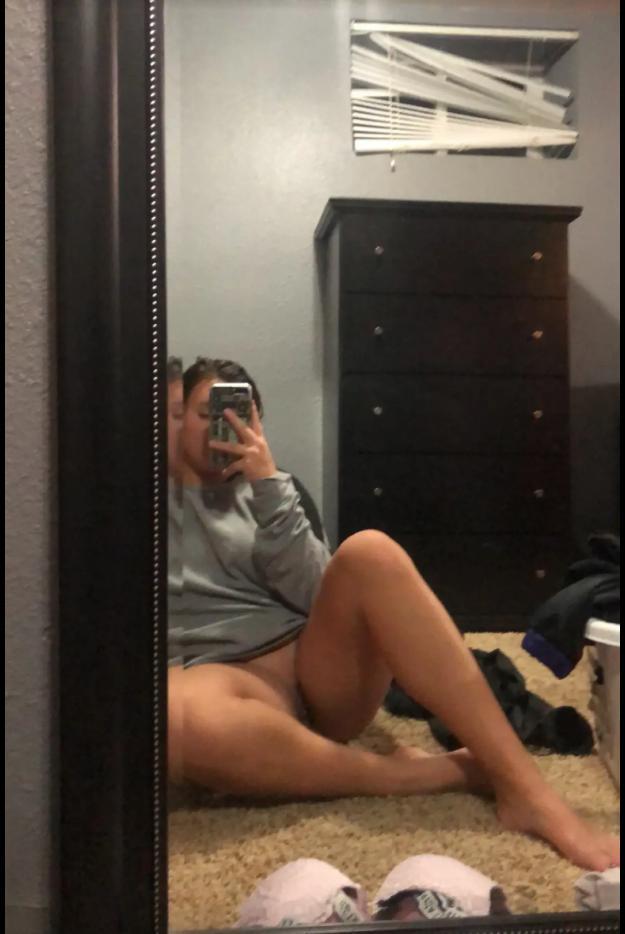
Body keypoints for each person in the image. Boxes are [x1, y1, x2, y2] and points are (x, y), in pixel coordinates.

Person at [167, 357, 619, 873]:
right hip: (221, 685)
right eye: (204, 412)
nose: (224, 426)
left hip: (317, 676)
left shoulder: (273, 491)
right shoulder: (142, 500)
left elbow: (315, 592)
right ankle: (420, 775)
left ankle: (528, 790)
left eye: (241, 413)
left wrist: (268, 487)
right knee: (179, 716)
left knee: (371, 551)